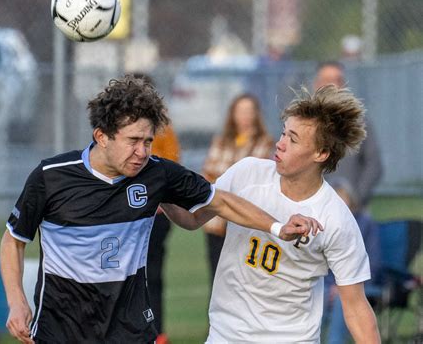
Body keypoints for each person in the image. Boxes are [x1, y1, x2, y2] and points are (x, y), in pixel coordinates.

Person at [0, 75, 321, 344]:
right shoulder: (51, 177)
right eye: (133, 140)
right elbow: (13, 240)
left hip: (130, 329)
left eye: (149, 141)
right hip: (61, 329)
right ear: (101, 136)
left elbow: (219, 202)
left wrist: (278, 227)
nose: (142, 152)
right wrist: (16, 302)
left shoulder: (156, 173)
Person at [163, 84, 380, 343]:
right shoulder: (247, 173)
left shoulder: (336, 218)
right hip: (226, 336)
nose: (280, 144)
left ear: (321, 153)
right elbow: (192, 219)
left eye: (293, 139)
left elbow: (356, 307)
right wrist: (159, 190)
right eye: (283, 133)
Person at [202, 94, 275, 282]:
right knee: (217, 278)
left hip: (247, 221)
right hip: (217, 222)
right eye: (241, 111)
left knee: (244, 279)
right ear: (233, 114)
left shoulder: (265, 143)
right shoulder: (221, 141)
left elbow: (258, 180)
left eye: (249, 111)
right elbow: (208, 175)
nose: (245, 116)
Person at [314, 60, 383, 210]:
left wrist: (354, 198)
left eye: (337, 80)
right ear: (316, 84)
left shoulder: (360, 122)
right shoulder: (303, 122)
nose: (332, 86)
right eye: (326, 80)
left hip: (352, 211)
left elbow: (374, 166)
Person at [323, 177, 382, 344]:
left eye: (343, 199)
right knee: (316, 294)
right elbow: (320, 265)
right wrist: (330, 286)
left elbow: (374, 263)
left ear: (351, 200)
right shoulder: (323, 225)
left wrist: (342, 286)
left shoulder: (365, 223)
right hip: (328, 285)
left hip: (359, 282)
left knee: (344, 298)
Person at [148, 123, 181, 344]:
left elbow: (171, 166)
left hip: (156, 214)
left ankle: (156, 332)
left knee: (152, 274)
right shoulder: (119, 127)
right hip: (124, 213)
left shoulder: (162, 130)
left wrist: (162, 197)